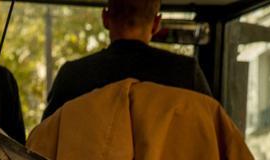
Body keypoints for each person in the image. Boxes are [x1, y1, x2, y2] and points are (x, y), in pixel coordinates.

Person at [42, 0, 212, 120]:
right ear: (156, 23)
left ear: (105, 18)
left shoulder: (72, 75)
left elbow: (42, 150)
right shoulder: (186, 74)